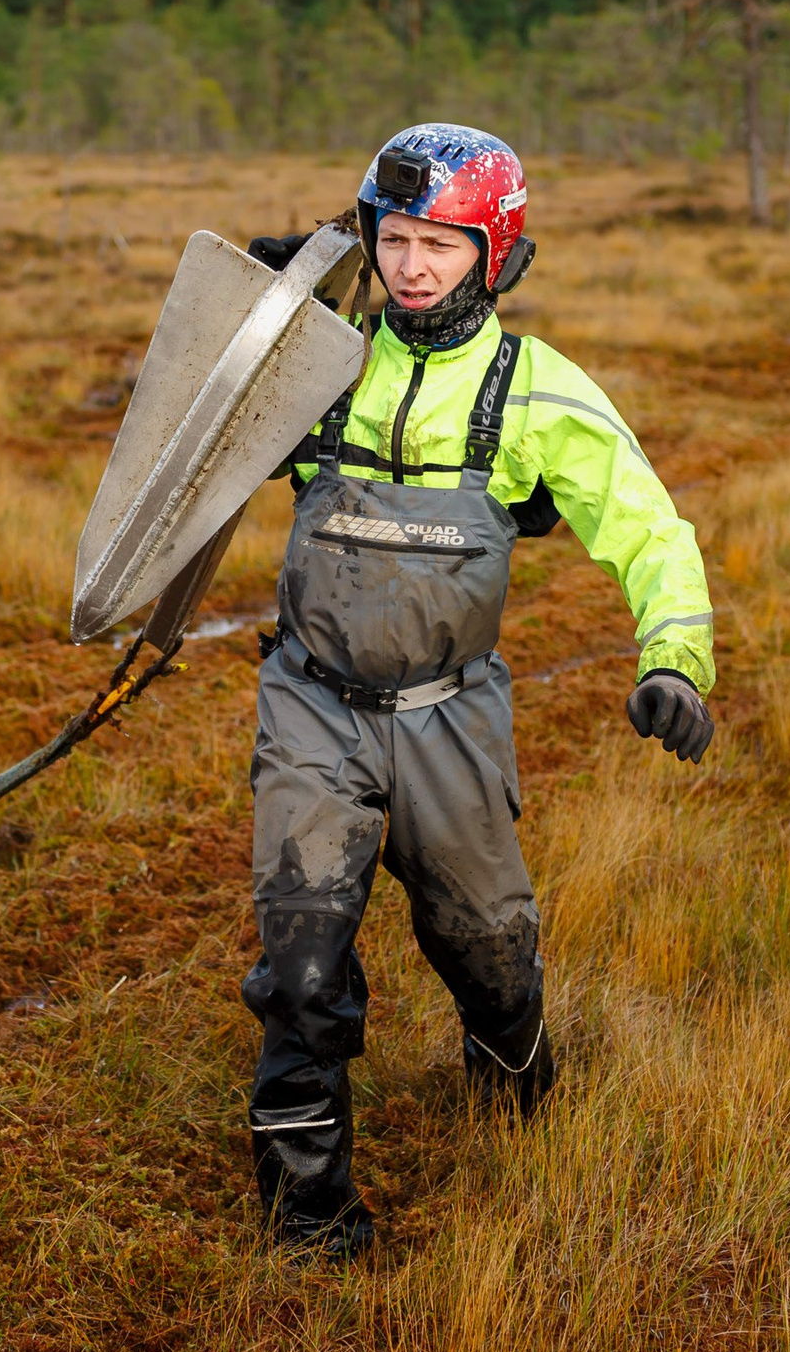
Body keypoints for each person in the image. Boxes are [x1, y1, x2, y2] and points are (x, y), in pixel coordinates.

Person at [239, 122, 716, 1259]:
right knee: (301, 967)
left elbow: (650, 529)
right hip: (311, 706)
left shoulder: (535, 391)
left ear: (492, 254)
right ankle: (308, 1218)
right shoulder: (323, 364)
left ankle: (515, 1107)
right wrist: (252, 325)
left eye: (439, 245)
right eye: (393, 238)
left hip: (452, 715)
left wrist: (673, 659)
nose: (410, 266)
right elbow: (183, 447)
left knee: (489, 958)